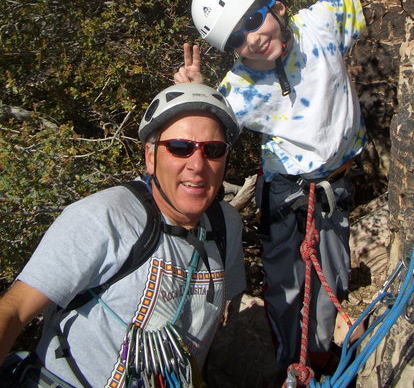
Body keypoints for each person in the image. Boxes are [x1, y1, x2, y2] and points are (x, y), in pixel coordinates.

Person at [174, 0, 414, 378]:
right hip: (286, 191)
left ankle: (314, 358)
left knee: (329, 276)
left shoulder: (320, 26)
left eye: (253, 19)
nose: (252, 38)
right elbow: (201, 126)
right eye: (237, 39)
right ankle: (289, 361)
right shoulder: (238, 88)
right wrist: (192, 92)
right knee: (285, 284)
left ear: (276, 5)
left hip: (332, 185)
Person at [0, 83, 246, 388]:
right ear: (150, 157)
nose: (197, 165)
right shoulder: (105, 217)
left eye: (213, 150)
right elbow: (14, 309)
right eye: (180, 148)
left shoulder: (226, 226)